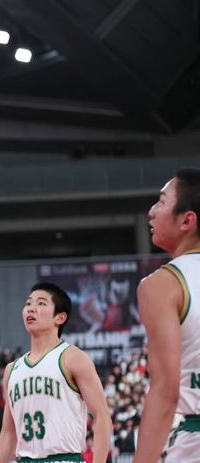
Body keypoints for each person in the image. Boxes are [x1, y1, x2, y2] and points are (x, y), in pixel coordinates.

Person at [0, 283, 111, 463]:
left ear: (60, 317)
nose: (31, 308)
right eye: (28, 303)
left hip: (64, 458)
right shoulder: (12, 369)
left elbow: (102, 416)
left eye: (41, 303)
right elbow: (9, 434)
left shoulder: (73, 357)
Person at [136, 168, 200, 462]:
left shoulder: (162, 284)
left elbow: (165, 393)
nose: (151, 212)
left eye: (161, 202)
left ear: (187, 220)